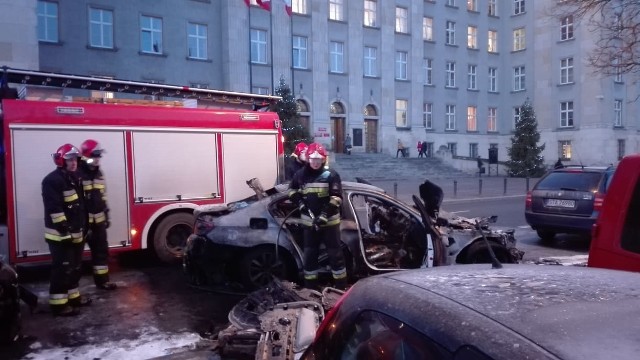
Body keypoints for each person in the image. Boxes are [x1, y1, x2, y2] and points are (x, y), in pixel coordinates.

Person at [288, 142, 347, 290]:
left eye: (318, 159)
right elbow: (292, 190)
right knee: (310, 256)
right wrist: (299, 202)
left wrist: (324, 215)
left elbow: (337, 198)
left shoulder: (331, 175)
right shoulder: (300, 174)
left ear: (323, 159)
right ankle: (310, 289)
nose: (315, 162)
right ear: (308, 159)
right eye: (313, 159)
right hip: (309, 225)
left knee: (335, 256)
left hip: (330, 224)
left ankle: (340, 288)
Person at [42, 144, 92, 316]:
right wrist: (65, 229)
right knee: (62, 269)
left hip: (76, 233)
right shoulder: (52, 180)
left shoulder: (75, 178)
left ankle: (73, 297)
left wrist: (85, 226)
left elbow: (80, 206)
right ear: (61, 161)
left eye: (75, 159)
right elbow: (54, 208)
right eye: (69, 159)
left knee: (75, 267)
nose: (73, 163)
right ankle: (59, 305)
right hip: (60, 236)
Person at [78, 139, 117, 291]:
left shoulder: (99, 173)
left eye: (99, 156)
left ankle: (102, 282)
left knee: (101, 252)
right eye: (96, 155)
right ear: (87, 155)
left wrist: (106, 214)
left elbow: (102, 196)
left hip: (98, 222)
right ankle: (73, 291)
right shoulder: (77, 174)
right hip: (82, 224)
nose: (98, 159)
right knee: (74, 259)